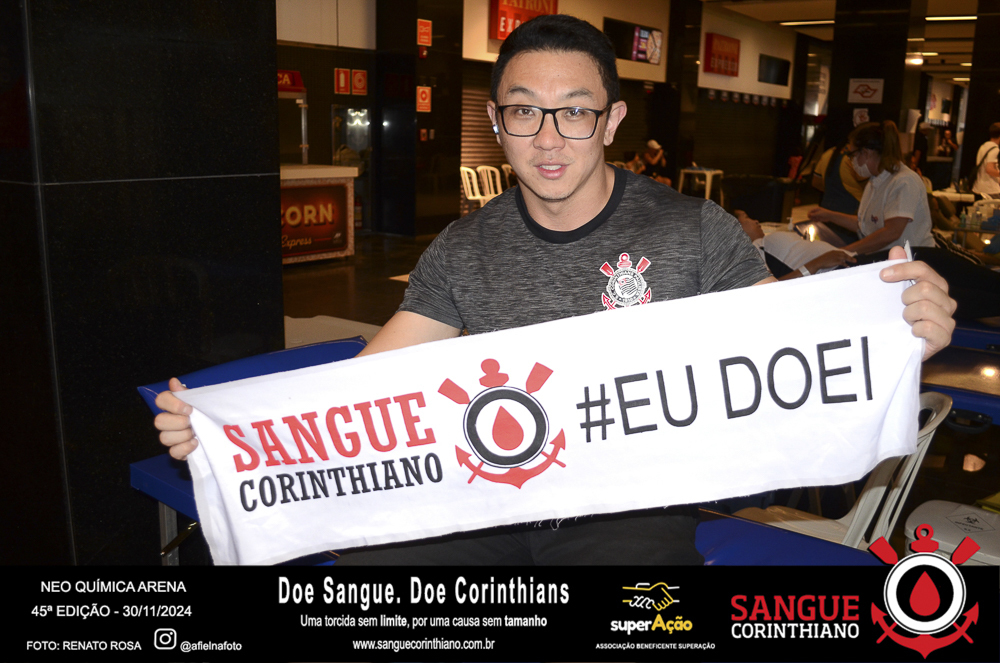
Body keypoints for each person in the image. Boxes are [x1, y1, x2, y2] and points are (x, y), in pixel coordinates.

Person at [154, 15, 957, 565]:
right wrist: (235, 434)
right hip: (483, 499)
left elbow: (792, 349)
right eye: (524, 113)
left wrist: (897, 330)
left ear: (611, 121)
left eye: (574, 113)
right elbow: (370, 383)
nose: (547, 139)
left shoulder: (693, 231)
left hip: (629, 513)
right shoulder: (465, 246)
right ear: (497, 121)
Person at [805, 120, 936, 255]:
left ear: (866, 153)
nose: (851, 161)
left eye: (852, 155)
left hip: (914, 259)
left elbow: (891, 232)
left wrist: (844, 252)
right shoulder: (875, 181)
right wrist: (829, 215)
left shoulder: (904, 181)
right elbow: (865, 225)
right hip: (890, 259)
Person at [734, 210, 856, 279]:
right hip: (835, 273)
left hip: (847, 263)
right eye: (746, 218)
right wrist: (817, 264)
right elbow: (768, 289)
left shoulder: (764, 243)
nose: (755, 221)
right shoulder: (752, 251)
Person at [971, 122, 1000, 200]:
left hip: (978, 187)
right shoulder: (995, 149)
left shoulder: (983, 146)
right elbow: (989, 169)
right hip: (990, 190)